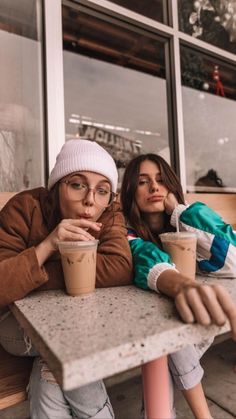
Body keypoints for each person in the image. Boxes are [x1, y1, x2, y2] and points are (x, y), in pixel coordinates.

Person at [0, 138, 133, 419]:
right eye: (77, 184)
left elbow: (121, 266)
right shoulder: (24, 207)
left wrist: (32, 276)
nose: (90, 200)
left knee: (52, 369)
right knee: (77, 340)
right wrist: (48, 245)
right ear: (58, 185)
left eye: (102, 191)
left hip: (78, 321)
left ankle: (50, 366)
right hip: (16, 327)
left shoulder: (109, 213)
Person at [120, 153, 236, 419]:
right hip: (150, 324)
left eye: (162, 180)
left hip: (193, 327)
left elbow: (233, 259)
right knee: (166, 331)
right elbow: (142, 254)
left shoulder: (188, 226)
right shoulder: (126, 231)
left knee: (169, 341)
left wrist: (179, 211)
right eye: (143, 182)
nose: (154, 188)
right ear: (130, 191)